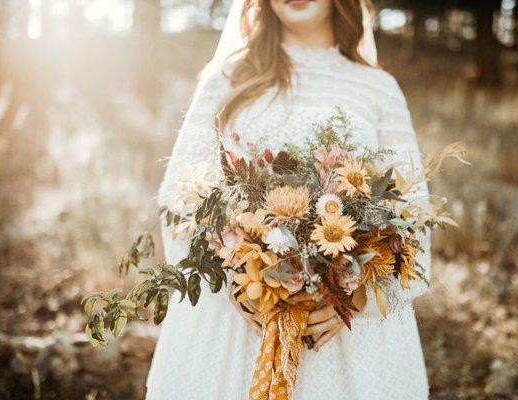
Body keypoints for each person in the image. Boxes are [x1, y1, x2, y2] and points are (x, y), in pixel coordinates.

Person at [146, 0, 431, 398]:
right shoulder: (227, 78)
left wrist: (359, 293)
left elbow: (413, 212)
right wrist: (237, 282)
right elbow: (179, 196)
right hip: (237, 323)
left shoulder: (378, 88)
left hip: (344, 331)